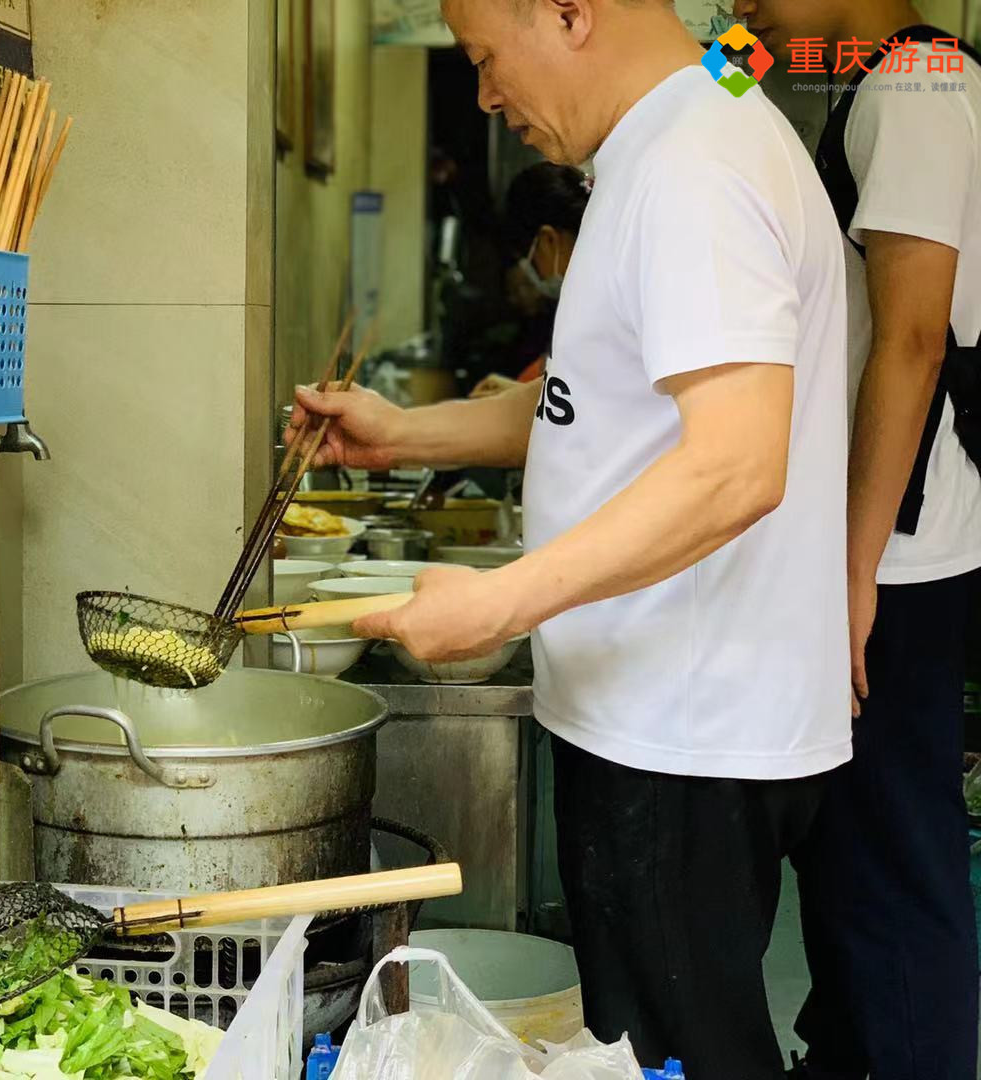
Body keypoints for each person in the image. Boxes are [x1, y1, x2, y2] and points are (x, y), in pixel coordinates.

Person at [288, 1, 851, 1075]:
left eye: (487, 58)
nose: (488, 95)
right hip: (661, 719)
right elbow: (590, 406)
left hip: (683, 730)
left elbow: (738, 463)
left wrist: (502, 601)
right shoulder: (665, 148)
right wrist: (400, 433)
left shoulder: (696, 165)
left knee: (687, 1055)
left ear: (569, 11)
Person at [732, 2, 981, 1077]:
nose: (741, 10)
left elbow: (917, 338)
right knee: (850, 859)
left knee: (893, 865)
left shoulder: (921, 83)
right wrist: (724, 55)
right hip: (882, 550)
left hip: (903, 555)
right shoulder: (872, 80)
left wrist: (850, 575)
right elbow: (704, 95)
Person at [479, 161, 592, 391]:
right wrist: (520, 394)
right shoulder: (583, 300)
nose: (533, 275)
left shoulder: (602, 304)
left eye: (529, 259)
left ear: (548, 240)